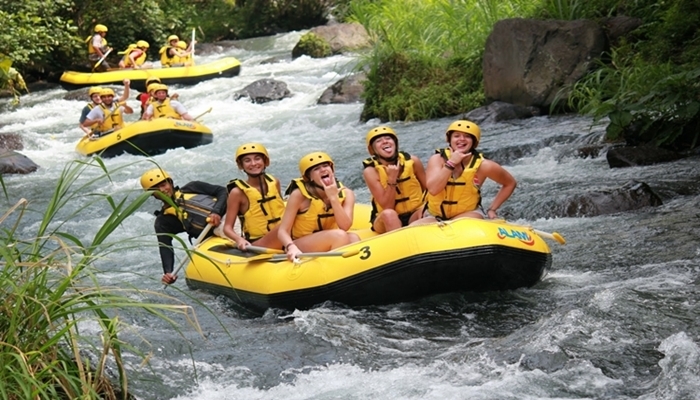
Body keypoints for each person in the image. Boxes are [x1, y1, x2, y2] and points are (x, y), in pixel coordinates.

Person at [417, 120, 516, 223]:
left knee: (459, 225)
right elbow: (433, 190)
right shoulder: (437, 159)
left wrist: (492, 209)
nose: (462, 139)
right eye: (456, 136)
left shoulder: (484, 165)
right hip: (434, 215)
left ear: (474, 142)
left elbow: (510, 183)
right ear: (450, 139)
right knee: (413, 228)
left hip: (468, 214)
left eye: (467, 136)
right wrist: (451, 163)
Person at [140, 168, 227, 285]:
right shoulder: (164, 220)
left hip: (230, 217)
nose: (162, 190)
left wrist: (216, 212)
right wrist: (168, 272)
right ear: (152, 195)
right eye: (156, 189)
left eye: (163, 185)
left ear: (170, 182)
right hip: (214, 235)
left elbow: (223, 191)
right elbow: (165, 247)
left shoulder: (192, 187)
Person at [278, 152, 359, 262]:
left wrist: (334, 199)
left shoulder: (347, 193)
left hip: (328, 239)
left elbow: (345, 226)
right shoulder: (299, 195)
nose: (323, 170)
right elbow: (283, 231)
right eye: (316, 169)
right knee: (339, 236)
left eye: (325, 166)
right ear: (309, 177)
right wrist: (290, 246)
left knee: (353, 238)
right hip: (300, 243)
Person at [362, 126, 427, 233]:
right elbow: (387, 206)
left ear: (395, 143)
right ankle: (400, 242)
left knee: (426, 210)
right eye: (378, 141)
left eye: (388, 138)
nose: (384, 141)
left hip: (414, 213)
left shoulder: (413, 161)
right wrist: (392, 179)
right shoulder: (371, 171)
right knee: (389, 214)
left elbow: (429, 191)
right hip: (386, 219)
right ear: (373, 150)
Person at [222, 143, 285, 250]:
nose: (253, 163)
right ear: (241, 165)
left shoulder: (274, 182)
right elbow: (227, 228)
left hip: (284, 235)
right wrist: (239, 240)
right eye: (247, 160)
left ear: (265, 161)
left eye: (257, 159)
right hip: (260, 242)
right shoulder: (237, 192)